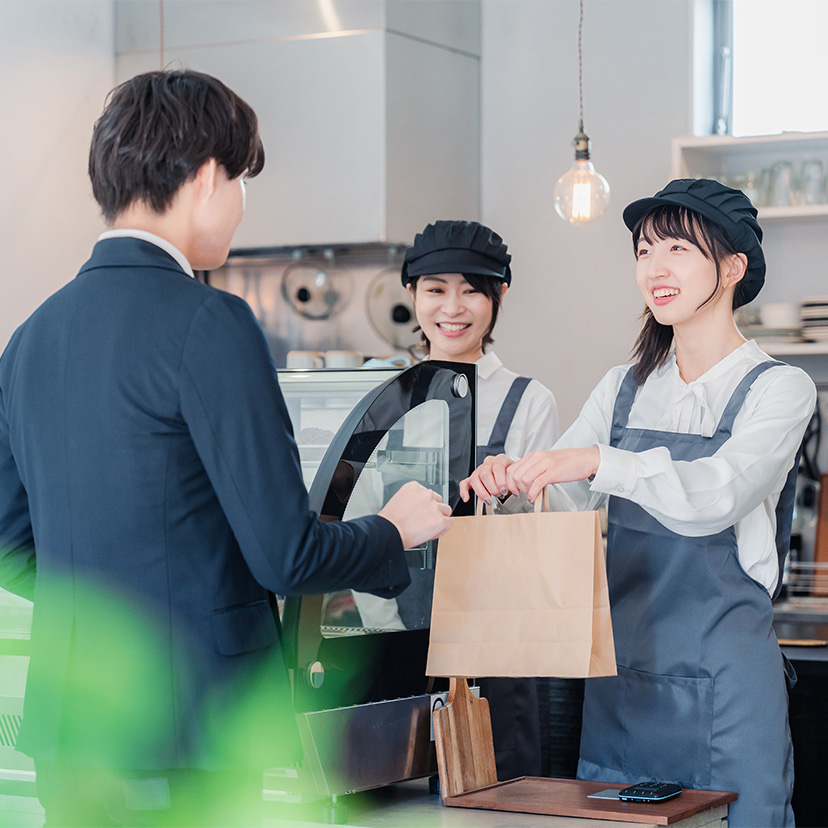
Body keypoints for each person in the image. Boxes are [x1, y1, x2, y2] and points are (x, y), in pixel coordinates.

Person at [0, 69, 452, 827]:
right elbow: (285, 555)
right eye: (243, 180)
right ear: (209, 177)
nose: (242, 202)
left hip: (68, 735)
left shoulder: (31, 337)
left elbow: (12, 542)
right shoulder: (210, 322)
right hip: (190, 739)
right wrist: (395, 531)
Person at [461, 178, 816, 828]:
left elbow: (720, 491)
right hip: (620, 685)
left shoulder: (779, 388)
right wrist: (512, 478)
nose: (655, 268)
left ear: (733, 266)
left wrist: (599, 460)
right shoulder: (622, 387)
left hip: (727, 694)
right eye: (644, 251)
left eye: (677, 249)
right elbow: (566, 498)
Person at [402, 219, 559, 780]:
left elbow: (557, 522)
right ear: (412, 294)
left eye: (472, 289)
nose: (453, 306)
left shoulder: (528, 400)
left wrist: (510, 486)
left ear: (500, 297)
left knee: (500, 791)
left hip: (498, 641)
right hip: (398, 632)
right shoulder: (384, 393)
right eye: (436, 289)